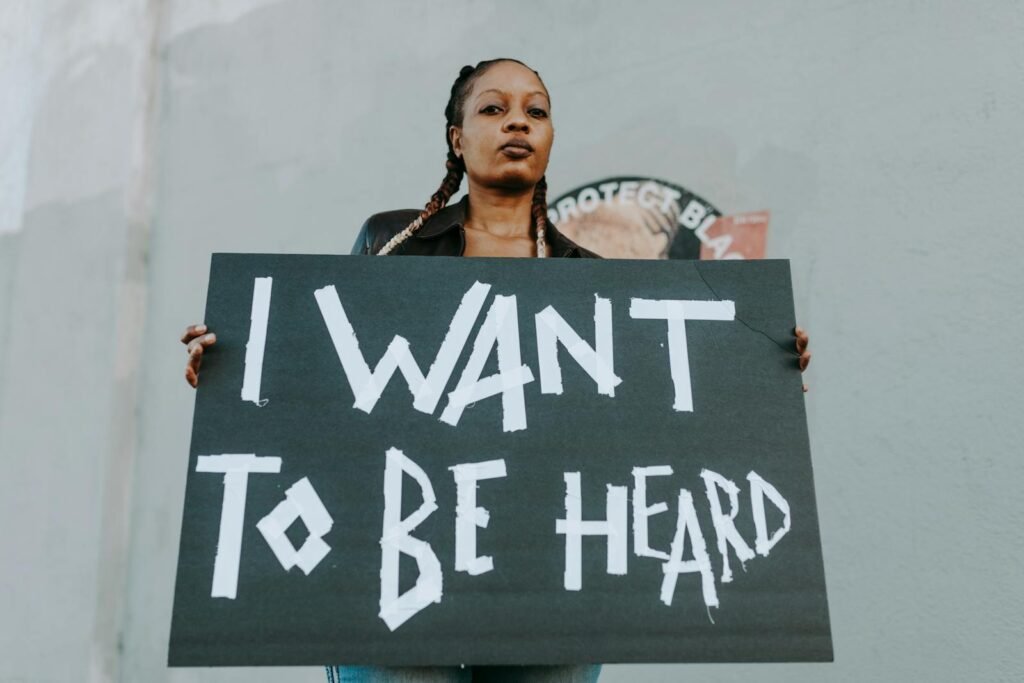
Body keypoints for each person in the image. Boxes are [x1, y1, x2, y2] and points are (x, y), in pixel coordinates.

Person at [181, 58, 811, 682]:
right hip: (398, 571)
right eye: (494, 108)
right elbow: (325, 381)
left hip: (548, 583)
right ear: (458, 137)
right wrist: (233, 364)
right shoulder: (391, 242)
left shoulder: (592, 279)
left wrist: (757, 373)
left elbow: (647, 426)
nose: (518, 122)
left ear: (550, 137)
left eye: (536, 111)